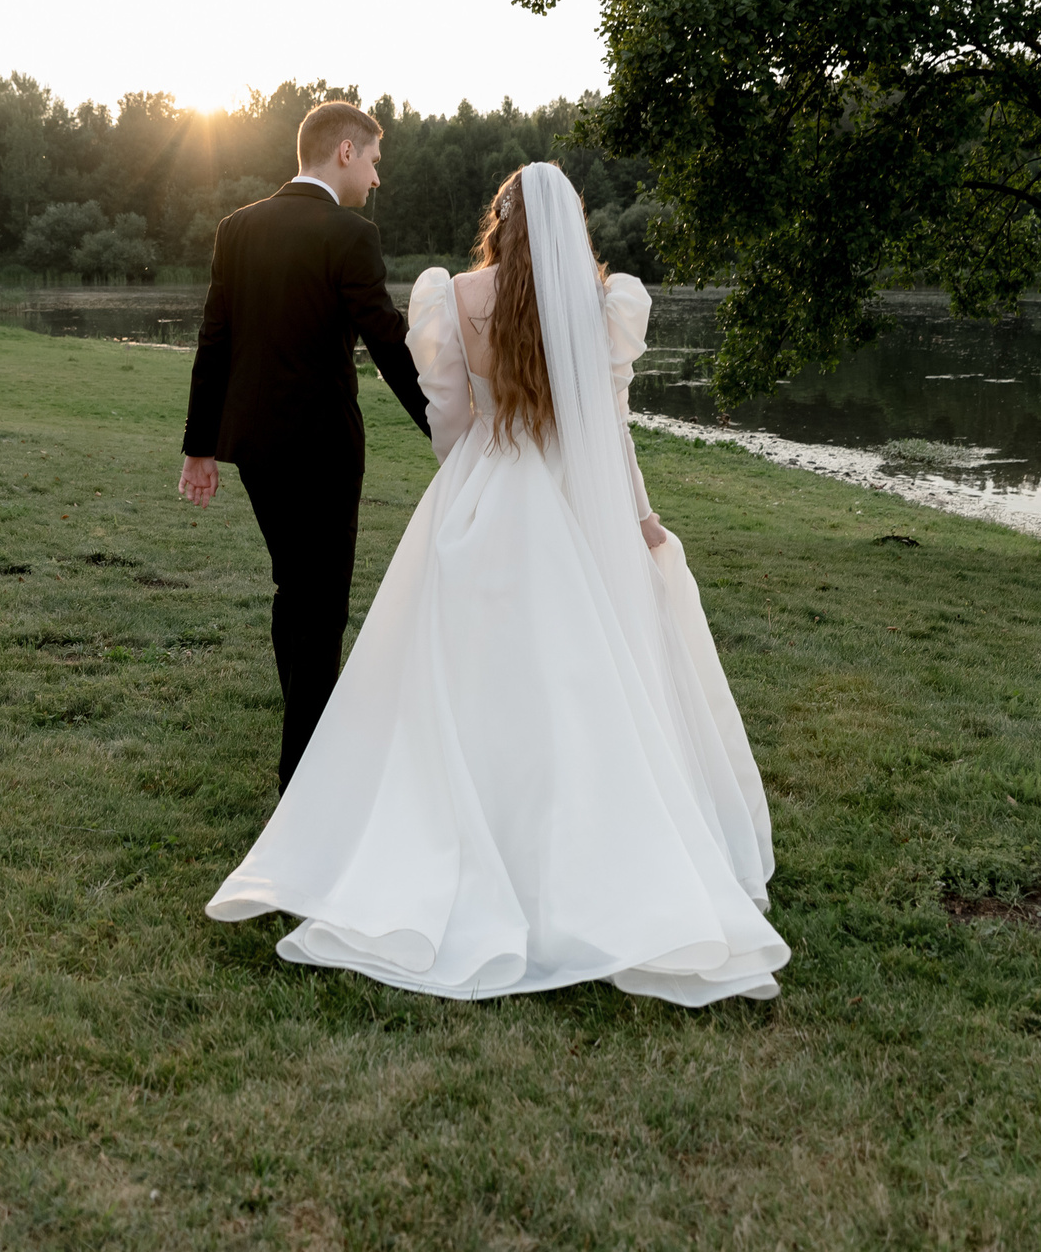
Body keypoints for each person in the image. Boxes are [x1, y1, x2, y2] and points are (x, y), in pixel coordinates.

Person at [203, 160, 787, 1006]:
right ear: (570, 225)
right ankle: (581, 845)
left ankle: (455, 834)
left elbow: (447, 417)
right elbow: (610, 430)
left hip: (485, 486)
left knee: (463, 675)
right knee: (579, 676)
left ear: (498, 220)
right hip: (573, 497)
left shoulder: (451, 296)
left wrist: (472, 479)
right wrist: (636, 516)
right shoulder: (607, 302)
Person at [179, 100, 430, 791]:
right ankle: (305, 781)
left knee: (296, 593)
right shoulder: (348, 234)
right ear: (344, 152)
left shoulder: (238, 228)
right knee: (321, 608)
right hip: (321, 453)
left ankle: (310, 750)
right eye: (375, 161)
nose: (376, 178)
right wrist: (446, 427)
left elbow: (214, 341)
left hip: (255, 448)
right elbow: (388, 342)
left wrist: (199, 447)